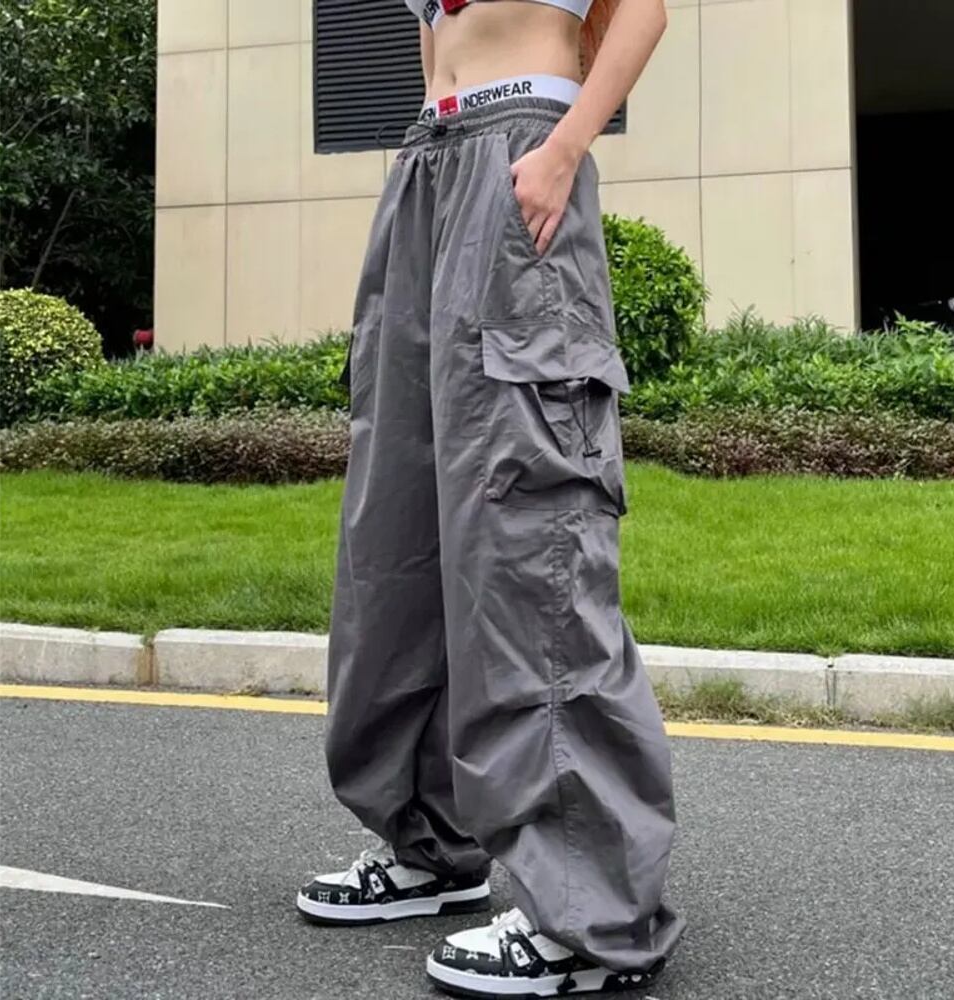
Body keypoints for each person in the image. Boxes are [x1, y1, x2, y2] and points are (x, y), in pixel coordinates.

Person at [296, 0, 684, 994]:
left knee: (529, 544)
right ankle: (431, 843)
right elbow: (437, 38)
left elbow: (643, 11)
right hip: (430, 167)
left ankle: (591, 918)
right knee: (400, 539)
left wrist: (565, 146)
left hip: (522, 158)